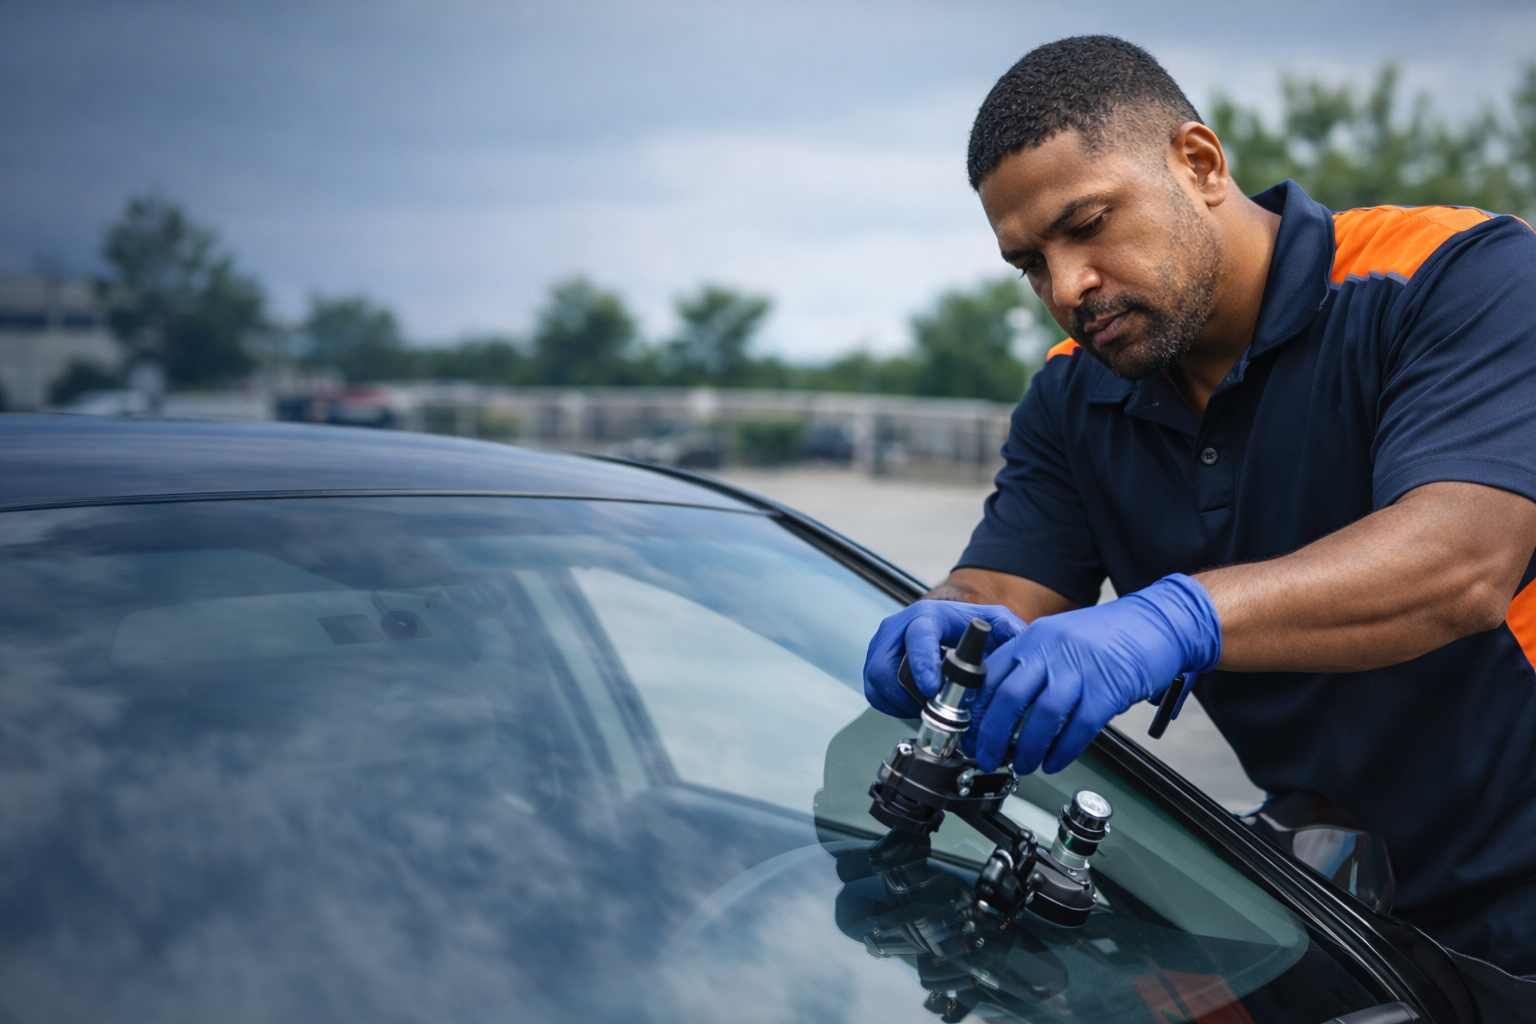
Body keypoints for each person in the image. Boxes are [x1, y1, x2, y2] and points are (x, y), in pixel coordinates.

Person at [862, 35, 1536, 976]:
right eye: (1029, 263)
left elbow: (1462, 562)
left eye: (1088, 223)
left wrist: (1175, 619)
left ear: (1200, 163)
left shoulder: (1455, 276)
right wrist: (949, 624)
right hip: (1330, 906)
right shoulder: (1072, 394)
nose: (1066, 288)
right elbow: (1004, 584)